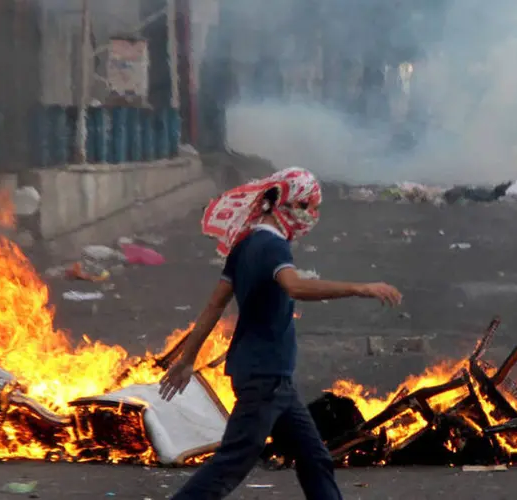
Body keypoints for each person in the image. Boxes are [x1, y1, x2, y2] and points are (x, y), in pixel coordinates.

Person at [160, 167, 403, 500]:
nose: (311, 217)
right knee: (231, 464)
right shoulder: (271, 247)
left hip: (273, 380)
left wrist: (188, 360)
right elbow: (295, 286)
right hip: (265, 377)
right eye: (307, 207)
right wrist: (360, 288)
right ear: (284, 205)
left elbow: (214, 306)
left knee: (314, 458)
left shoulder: (245, 243)